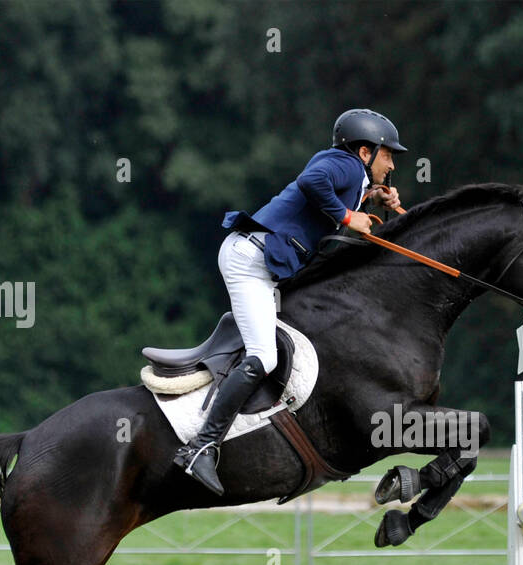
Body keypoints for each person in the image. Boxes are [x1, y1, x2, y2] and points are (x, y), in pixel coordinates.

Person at [174, 108, 409, 494]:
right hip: (251, 261)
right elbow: (313, 180)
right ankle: (200, 448)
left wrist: (370, 198)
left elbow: (327, 198)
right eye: (389, 156)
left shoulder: (353, 175)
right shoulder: (345, 165)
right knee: (264, 357)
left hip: (256, 259)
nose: (393, 166)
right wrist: (350, 216)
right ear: (366, 151)